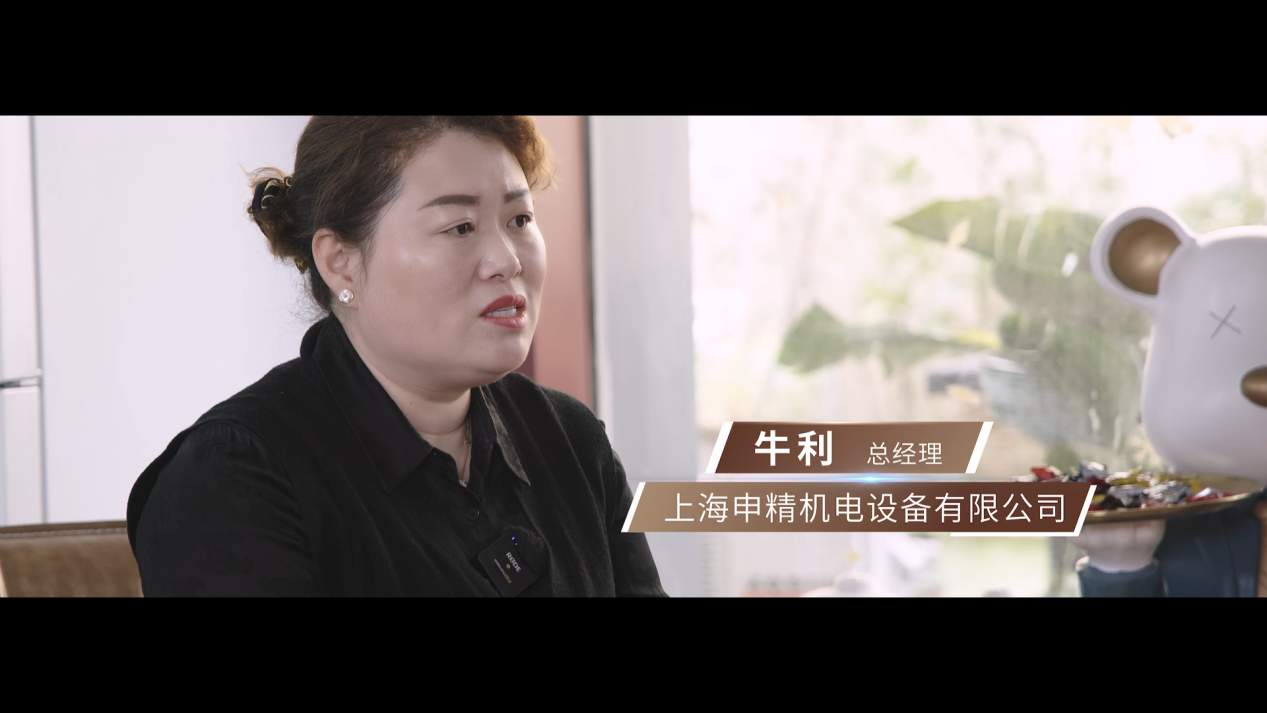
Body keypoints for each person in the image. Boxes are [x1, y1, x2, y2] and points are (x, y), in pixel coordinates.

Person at [126, 116, 667, 597]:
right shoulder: (234, 477)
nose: (506, 260)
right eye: (460, 227)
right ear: (340, 262)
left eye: (519, 220)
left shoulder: (569, 439)